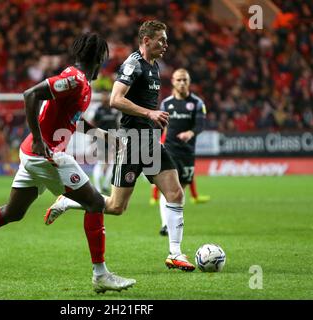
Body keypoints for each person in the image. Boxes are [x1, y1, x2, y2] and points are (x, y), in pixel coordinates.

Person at [0, 33, 136, 294]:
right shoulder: (74, 79)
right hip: (45, 154)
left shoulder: (80, 82)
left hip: (33, 154)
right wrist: (41, 141)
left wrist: (101, 135)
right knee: (95, 203)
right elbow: (30, 94)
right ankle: (101, 274)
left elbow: (72, 119)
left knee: (13, 212)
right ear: (99, 58)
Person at [44, 21, 195, 272]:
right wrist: (150, 114)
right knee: (116, 207)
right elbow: (115, 99)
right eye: (161, 40)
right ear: (146, 40)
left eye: (166, 39)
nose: (166, 44)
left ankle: (175, 254)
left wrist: (152, 121)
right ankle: (69, 200)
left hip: (149, 142)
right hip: (133, 142)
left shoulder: (154, 67)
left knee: (176, 193)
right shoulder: (133, 64)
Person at [155, 68, 210, 237]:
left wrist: (190, 133)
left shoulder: (197, 103)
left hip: (187, 152)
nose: (182, 83)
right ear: (172, 81)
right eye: (179, 80)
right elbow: (159, 125)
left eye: (185, 80)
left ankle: (173, 221)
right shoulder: (166, 103)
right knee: (168, 188)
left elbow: (200, 125)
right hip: (169, 150)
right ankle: (165, 224)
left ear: (189, 82)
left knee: (180, 190)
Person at [91, 92, 120, 194]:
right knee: (101, 163)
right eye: (104, 97)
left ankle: (105, 185)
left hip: (112, 140)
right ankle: (98, 188)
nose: (105, 99)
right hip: (100, 140)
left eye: (107, 97)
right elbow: (93, 124)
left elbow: (116, 125)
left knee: (112, 163)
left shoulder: (113, 111)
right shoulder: (98, 111)